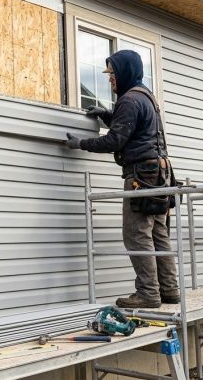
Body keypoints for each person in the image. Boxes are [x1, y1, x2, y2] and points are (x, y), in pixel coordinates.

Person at [65, 49, 178, 309]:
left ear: (125, 71)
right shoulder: (146, 96)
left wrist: (80, 143)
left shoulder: (129, 100)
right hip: (159, 174)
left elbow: (116, 140)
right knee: (158, 233)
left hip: (142, 175)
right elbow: (132, 127)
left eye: (113, 74)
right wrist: (107, 115)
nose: (110, 79)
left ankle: (148, 293)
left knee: (137, 235)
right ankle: (169, 290)